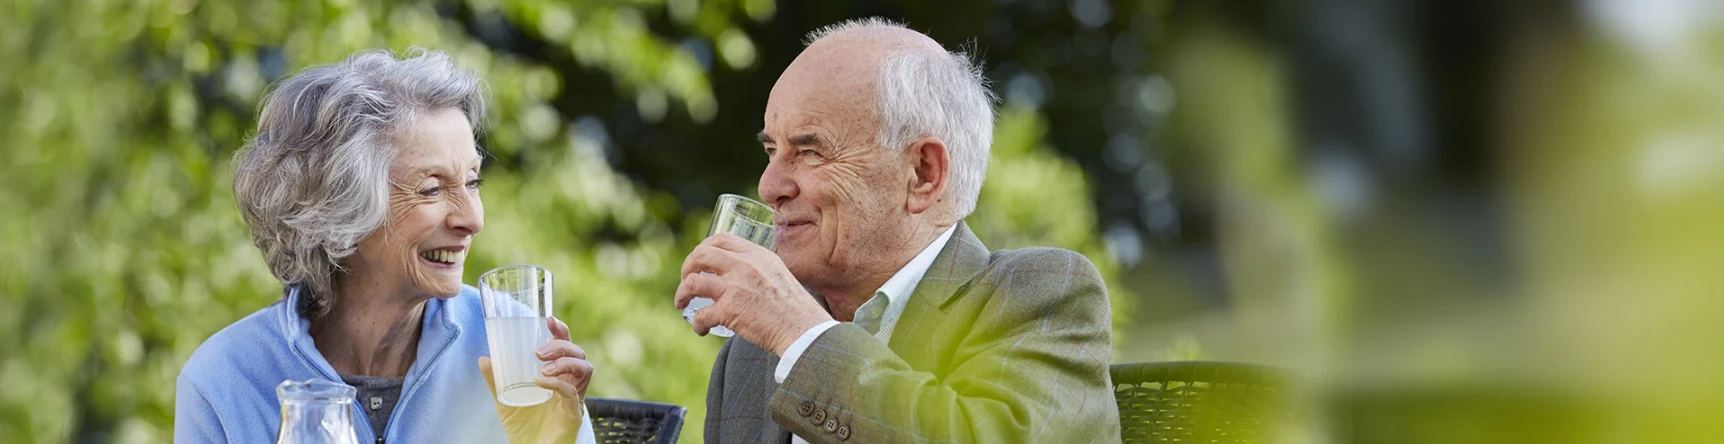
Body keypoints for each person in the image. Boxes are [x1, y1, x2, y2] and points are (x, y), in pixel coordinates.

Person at [678, 18, 1120, 443]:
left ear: (923, 174)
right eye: (772, 150)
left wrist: (804, 338)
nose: (769, 186)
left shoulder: (1039, 295)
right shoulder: (750, 355)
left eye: (810, 151)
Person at [175, 49, 596, 443]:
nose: (472, 219)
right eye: (431, 189)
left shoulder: (515, 350)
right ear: (338, 209)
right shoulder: (226, 379)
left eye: (472, 182)